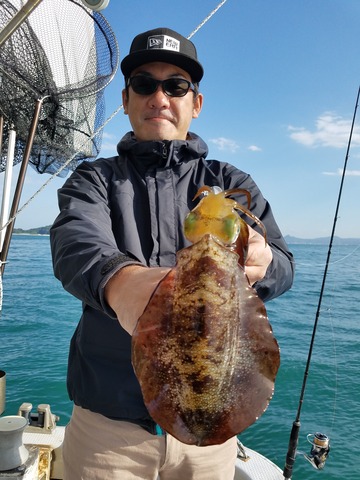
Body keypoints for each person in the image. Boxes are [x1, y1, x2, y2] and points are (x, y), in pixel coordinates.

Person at [50, 27, 294, 480]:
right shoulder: (94, 181)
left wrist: (265, 262)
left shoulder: (232, 181)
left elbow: (282, 264)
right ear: (125, 100)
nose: (159, 97)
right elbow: (74, 243)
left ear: (195, 103)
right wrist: (121, 283)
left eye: (176, 86)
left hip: (210, 444)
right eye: (144, 84)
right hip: (109, 432)